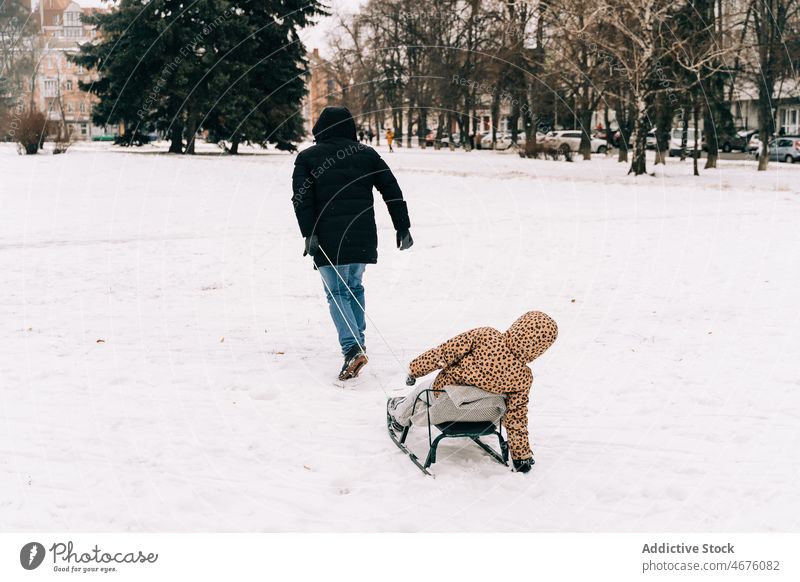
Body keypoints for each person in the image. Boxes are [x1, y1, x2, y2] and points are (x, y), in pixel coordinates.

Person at [291, 106, 414, 381]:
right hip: (362, 235)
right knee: (354, 286)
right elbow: (391, 190)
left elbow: (301, 199)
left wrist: (309, 233)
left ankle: (352, 348)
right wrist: (402, 226)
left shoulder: (308, 158)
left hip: (327, 238)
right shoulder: (367, 155)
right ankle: (357, 342)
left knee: (337, 292)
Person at [388, 311, 558, 473]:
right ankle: (413, 410)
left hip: (448, 400)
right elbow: (516, 416)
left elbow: (445, 353)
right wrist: (521, 456)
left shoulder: (486, 336)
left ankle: (400, 417)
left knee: (422, 390)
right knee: (497, 404)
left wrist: (415, 369)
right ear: (540, 349)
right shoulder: (524, 376)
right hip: (484, 414)